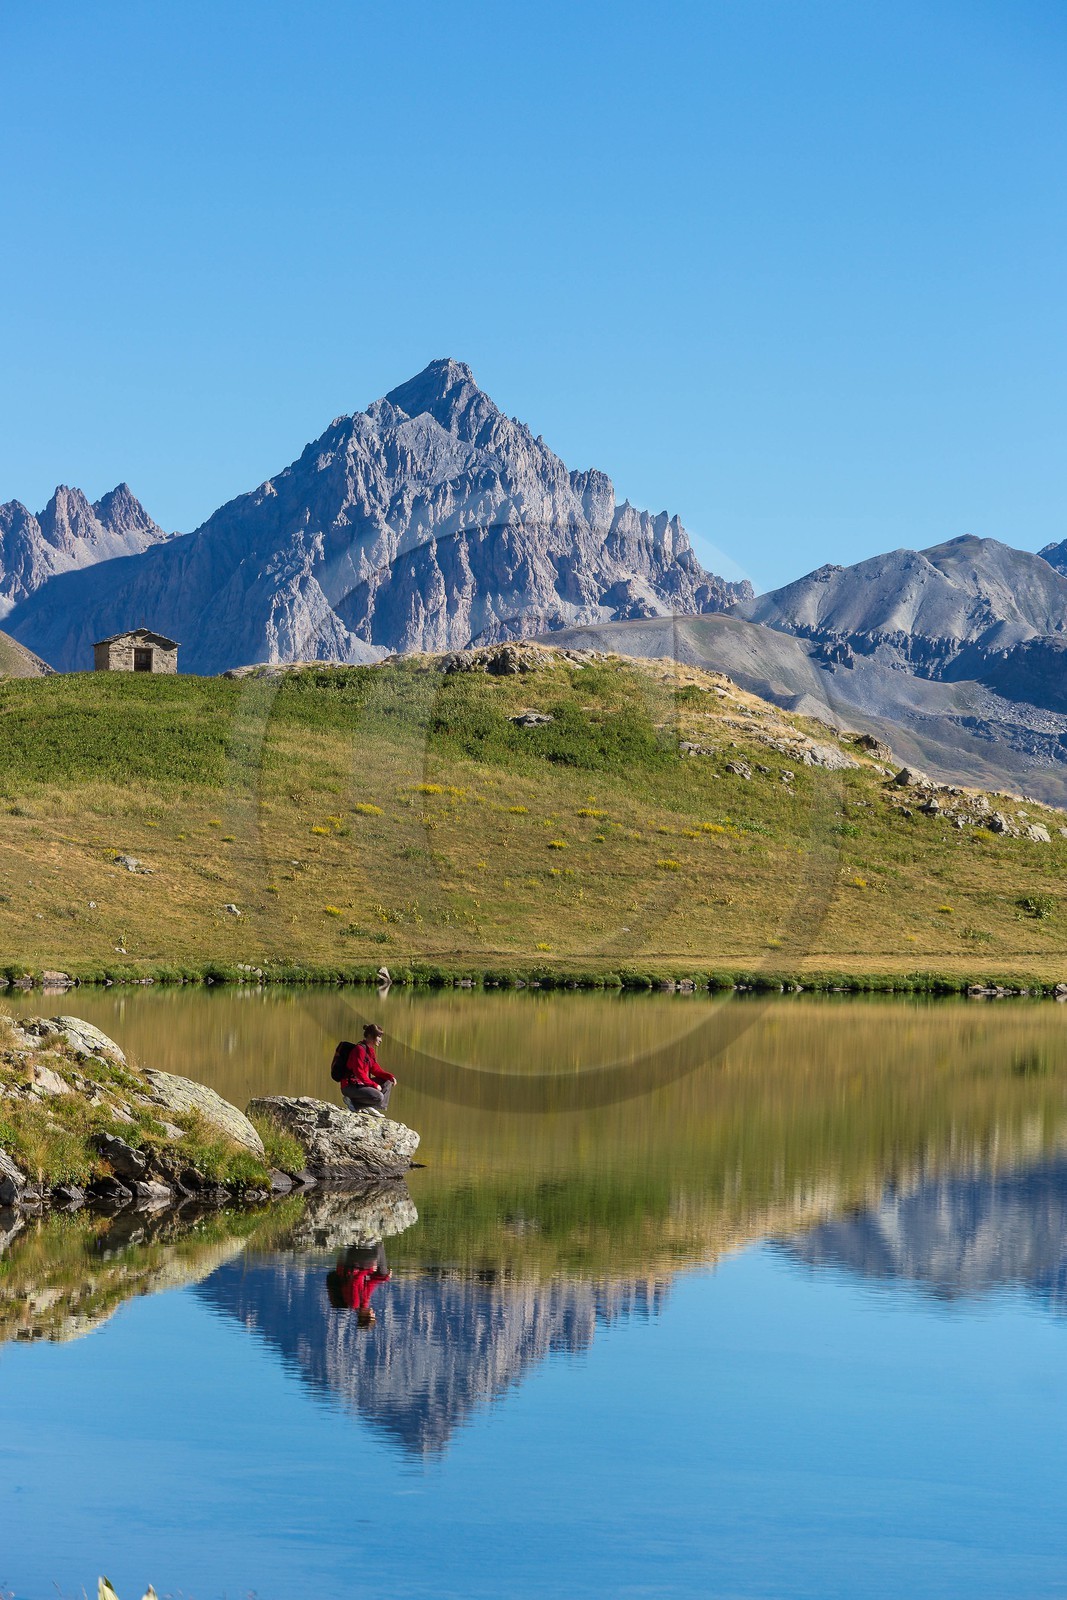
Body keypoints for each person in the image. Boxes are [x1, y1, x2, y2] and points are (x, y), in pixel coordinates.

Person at [326, 1242, 391, 1328]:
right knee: (383, 1274)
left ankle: (375, 1245)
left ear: (363, 1316)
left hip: (350, 1265)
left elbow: (354, 1281)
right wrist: (384, 1278)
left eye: (371, 1315)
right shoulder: (364, 1301)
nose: (373, 1313)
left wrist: (369, 1270)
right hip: (357, 1267)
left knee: (374, 1257)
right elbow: (370, 1283)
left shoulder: (354, 1302)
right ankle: (378, 1244)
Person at [338, 1023, 396, 1115]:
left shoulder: (370, 1051)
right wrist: (374, 1085)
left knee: (387, 1082)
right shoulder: (359, 1050)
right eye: (379, 1037)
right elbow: (358, 1073)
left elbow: (375, 1069)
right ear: (370, 1036)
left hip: (361, 1084)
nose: (380, 1040)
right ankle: (354, 1103)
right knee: (379, 1096)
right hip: (350, 1086)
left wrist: (390, 1076)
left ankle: (370, 1106)